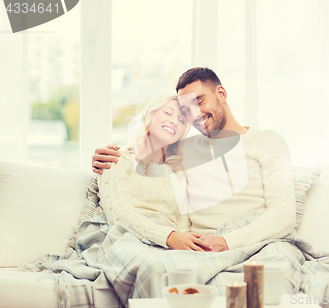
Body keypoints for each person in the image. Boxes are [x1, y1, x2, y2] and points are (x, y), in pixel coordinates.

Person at [92, 67, 296, 252]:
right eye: (186, 111)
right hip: (201, 246)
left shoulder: (268, 141)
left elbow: (284, 214)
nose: (194, 114)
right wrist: (108, 154)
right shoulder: (183, 151)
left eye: (199, 101)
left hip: (255, 240)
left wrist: (227, 242)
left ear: (221, 94)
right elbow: (147, 150)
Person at [96, 95, 211, 251]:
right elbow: (118, 214)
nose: (174, 121)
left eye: (182, 120)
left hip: (167, 246)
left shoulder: (178, 173)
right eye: (168, 113)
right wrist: (169, 237)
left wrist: (186, 247)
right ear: (150, 115)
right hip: (124, 239)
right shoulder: (117, 159)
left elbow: (182, 222)